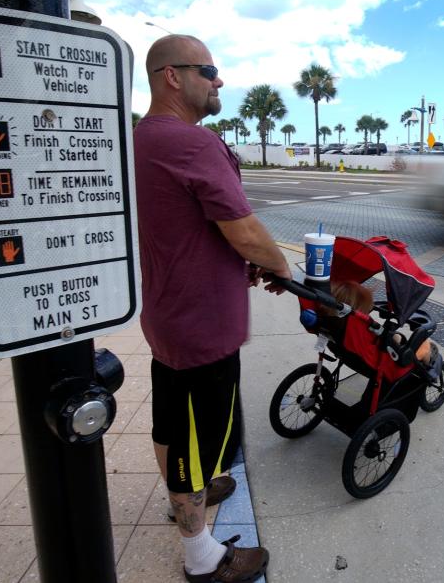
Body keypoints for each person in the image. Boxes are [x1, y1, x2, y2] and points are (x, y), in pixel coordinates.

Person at [134, 34, 291, 583]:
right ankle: (202, 555)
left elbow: (186, 228)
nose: (219, 80)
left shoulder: (140, 140)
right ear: (172, 76)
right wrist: (280, 266)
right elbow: (245, 231)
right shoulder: (192, 144)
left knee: (170, 423)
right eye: (209, 70)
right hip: (202, 327)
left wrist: (237, 259)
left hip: (167, 316)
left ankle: (195, 491)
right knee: (190, 443)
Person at [326, 280, 439, 370]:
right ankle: (427, 362)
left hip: (351, 356)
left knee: (396, 337)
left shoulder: (335, 325)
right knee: (420, 343)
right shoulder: (357, 329)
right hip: (385, 362)